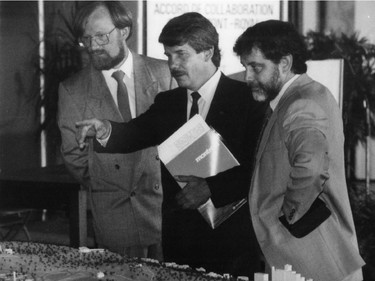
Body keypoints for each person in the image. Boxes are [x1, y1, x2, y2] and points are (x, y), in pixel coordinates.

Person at [75, 12, 266, 277]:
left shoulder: (248, 101)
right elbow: (134, 133)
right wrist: (105, 129)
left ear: (207, 52)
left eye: (181, 54)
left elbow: (260, 170)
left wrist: (210, 188)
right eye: (168, 56)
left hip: (231, 244)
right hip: (179, 244)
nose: (172, 64)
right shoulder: (168, 103)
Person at [233, 20, 365, 281]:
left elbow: (311, 168)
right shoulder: (300, 96)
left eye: (255, 67)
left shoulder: (301, 103)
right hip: (310, 255)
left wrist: (288, 219)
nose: (247, 77)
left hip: (313, 257)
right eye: (245, 67)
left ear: (284, 63)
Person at [57, 1, 176, 260]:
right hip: (115, 214)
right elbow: (75, 157)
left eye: (101, 35)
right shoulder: (72, 90)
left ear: (124, 31)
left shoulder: (165, 74)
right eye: (86, 39)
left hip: (166, 209)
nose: (93, 46)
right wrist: (111, 184)